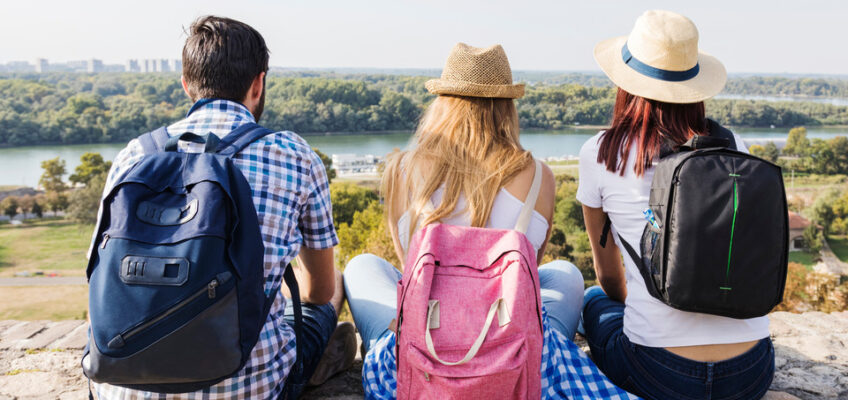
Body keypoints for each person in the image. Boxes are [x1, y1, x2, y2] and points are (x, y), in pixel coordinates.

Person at [343, 43, 636, 399]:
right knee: (566, 273)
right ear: (507, 107)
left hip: (427, 345)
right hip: (510, 345)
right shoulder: (538, 176)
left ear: (441, 103)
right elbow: (523, 281)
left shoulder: (401, 169)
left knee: (362, 267)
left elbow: (411, 274)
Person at [90, 16, 355, 399]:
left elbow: (97, 272)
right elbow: (318, 290)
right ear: (258, 83)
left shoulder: (134, 154)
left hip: (121, 383)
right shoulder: (293, 155)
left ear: (186, 86)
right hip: (248, 389)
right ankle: (315, 360)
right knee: (330, 295)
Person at [577, 10, 775, 400]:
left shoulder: (601, 153)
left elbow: (610, 278)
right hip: (750, 372)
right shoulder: (736, 148)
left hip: (659, 372)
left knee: (594, 301)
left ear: (626, 84)